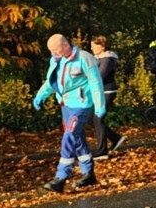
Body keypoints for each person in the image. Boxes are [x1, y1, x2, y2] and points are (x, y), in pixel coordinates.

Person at [32, 35, 106, 192]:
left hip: (81, 105)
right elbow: (51, 81)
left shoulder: (85, 58)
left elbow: (95, 82)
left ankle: (61, 178)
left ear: (65, 45)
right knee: (77, 138)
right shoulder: (57, 60)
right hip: (66, 105)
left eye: (55, 49)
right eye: (51, 50)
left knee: (70, 136)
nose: (53, 52)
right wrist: (41, 95)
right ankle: (88, 174)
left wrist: (99, 106)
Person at [90, 36, 127, 159]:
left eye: (94, 45)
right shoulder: (96, 59)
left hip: (107, 91)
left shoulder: (108, 59)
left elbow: (99, 76)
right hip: (98, 92)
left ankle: (102, 151)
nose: (92, 48)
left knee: (97, 118)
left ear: (102, 46)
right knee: (91, 118)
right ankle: (115, 138)